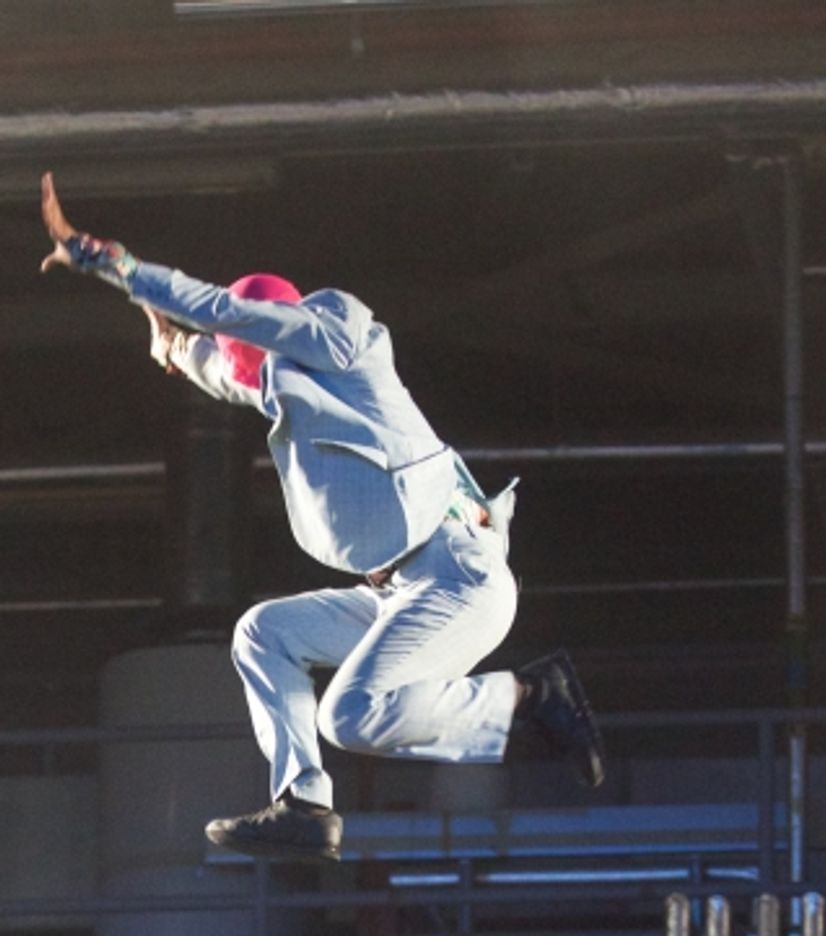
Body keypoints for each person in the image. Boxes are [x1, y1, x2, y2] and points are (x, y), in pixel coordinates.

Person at [39, 172, 604, 864]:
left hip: (460, 576)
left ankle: (526, 693)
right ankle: (304, 804)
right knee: (262, 633)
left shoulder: (344, 340)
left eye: (262, 356)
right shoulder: (276, 378)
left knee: (349, 714)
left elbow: (221, 313)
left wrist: (113, 265)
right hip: (402, 590)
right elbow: (226, 366)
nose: (263, 381)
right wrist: (178, 350)